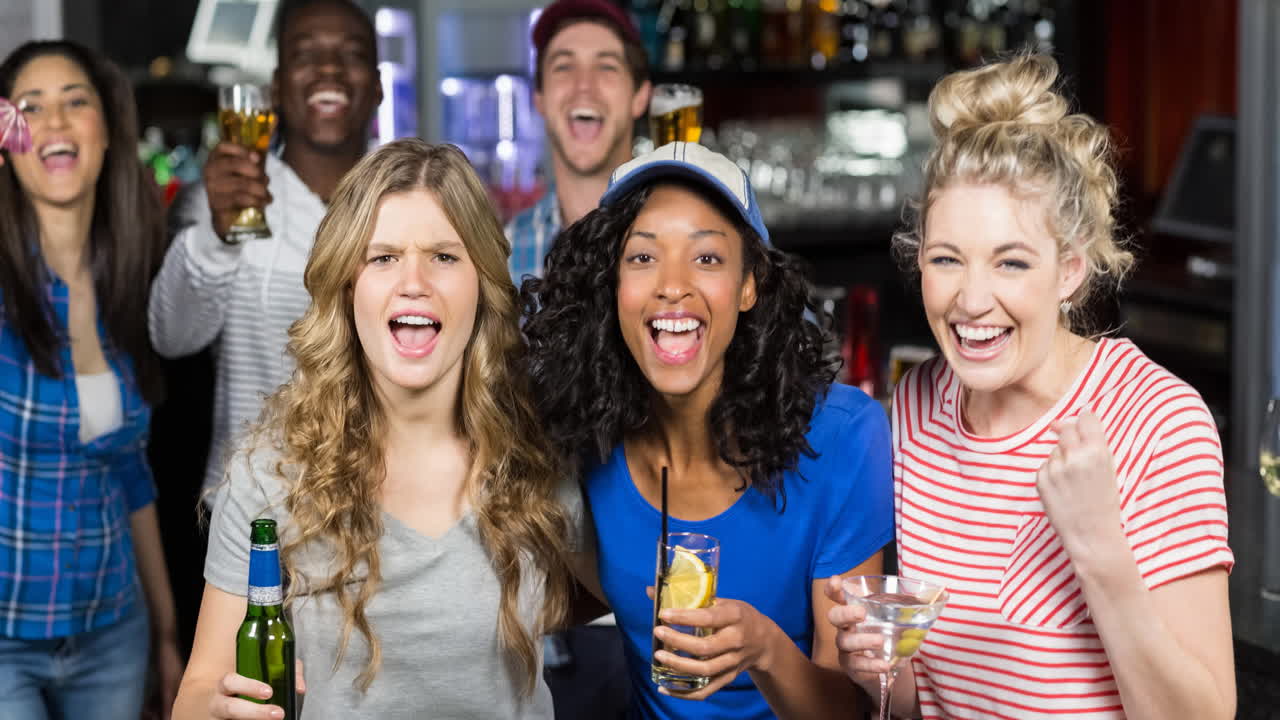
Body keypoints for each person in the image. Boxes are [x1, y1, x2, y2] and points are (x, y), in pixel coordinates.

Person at [826, 53, 1236, 720]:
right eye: (946, 260)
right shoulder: (915, 411)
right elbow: (923, 700)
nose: (972, 299)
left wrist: (1099, 548)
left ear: (1069, 270)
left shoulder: (1157, 420)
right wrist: (876, 664)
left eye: (1011, 262)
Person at [172, 139, 584, 720]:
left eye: (444, 256)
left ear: (483, 284)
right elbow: (196, 694)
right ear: (347, 286)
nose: (413, 281)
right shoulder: (273, 471)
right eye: (382, 257)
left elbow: (630, 593)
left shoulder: (541, 455)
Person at [522, 141, 894, 720]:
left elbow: (852, 710)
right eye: (642, 258)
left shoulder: (844, 438)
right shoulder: (586, 438)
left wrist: (764, 650)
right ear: (612, 285)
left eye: (707, 259)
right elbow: (567, 592)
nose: (673, 285)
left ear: (749, 285)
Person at [0, 40, 182, 719]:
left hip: (113, 630)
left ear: (107, 133)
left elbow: (131, 475)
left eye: (76, 102)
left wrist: (166, 635)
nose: (54, 122)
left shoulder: (133, 283)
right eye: (30, 108)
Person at [148, 0, 383, 495]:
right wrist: (217, 234)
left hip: (381, 505)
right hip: (253, 510)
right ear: (275, 87)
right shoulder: (227, 198)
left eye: (351, 53)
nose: (328, 68)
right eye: (306, 53)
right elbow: (172, 337)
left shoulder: (409, 202)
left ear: (378, 84)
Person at [507, 0, 652, 282]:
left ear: (640, 97)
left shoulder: (686, 241)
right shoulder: (501, 256)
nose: (584, 86)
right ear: (539, 98)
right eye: (564, 67)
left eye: (606, 66)